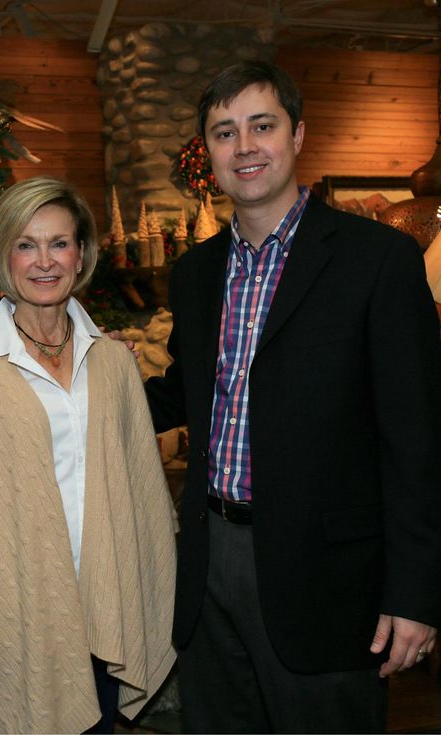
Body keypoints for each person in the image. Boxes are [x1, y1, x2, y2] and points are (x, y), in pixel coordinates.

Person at [144, 60, 441, 733]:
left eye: (262, 125)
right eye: (224, 132)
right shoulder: (195, 273)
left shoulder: (377, 262)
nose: (244, 146)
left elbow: (418, 439)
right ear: (208, 152)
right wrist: (65, 389)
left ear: (298, 134)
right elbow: (182, 395)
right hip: (211, 567)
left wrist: (417, 595)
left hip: (328, 584)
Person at [0, 176, 177, 733]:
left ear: (81, 254)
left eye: (59, 243)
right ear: (3, 256)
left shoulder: (114, 364)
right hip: (22, 615)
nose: (44, 261)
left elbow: (146, 500)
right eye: (26, 244)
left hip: (107, 607)